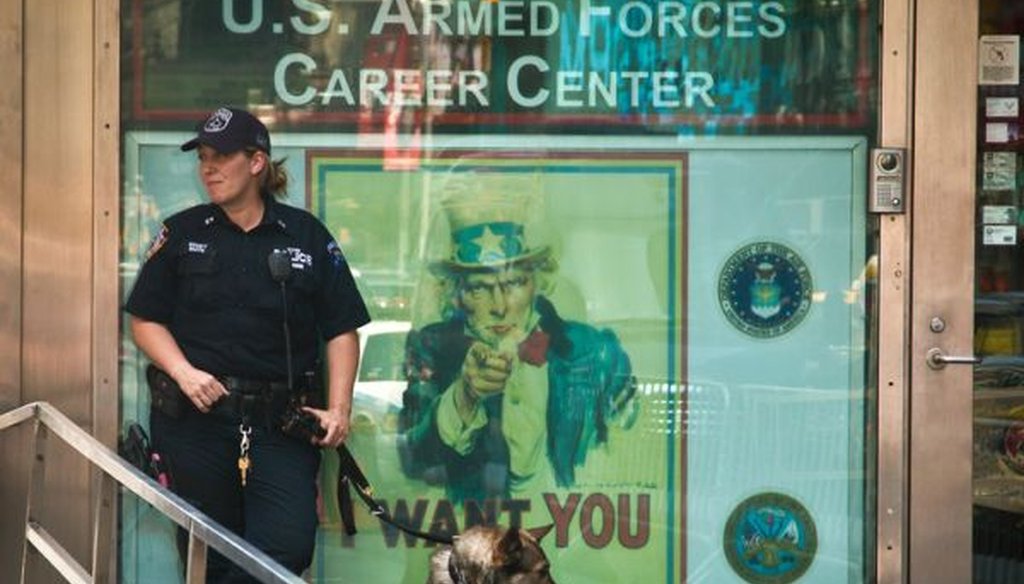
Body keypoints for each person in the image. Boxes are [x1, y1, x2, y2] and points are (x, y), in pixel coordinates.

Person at [125, 106, 371, 581]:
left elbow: (342, 328)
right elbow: (146, 319)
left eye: (220, 156)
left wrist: (339, 410)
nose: (208, 168)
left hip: (281, 425)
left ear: (257, 162)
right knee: (210, 554)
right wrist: (183, 371)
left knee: (288, 548)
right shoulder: (183, 233)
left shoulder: (306, 237)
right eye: (202, 158)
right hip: (197, 422)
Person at [399, 188, 637, 503]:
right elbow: (414, 460)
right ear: (456, 294)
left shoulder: (596, 352)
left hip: (572, 531)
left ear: (537, 281)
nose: (500, 306)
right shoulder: (431, 346)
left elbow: (628, 456)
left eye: (513, 283)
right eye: (480, 289)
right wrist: (464, 397)